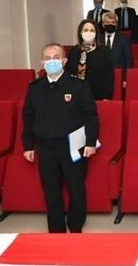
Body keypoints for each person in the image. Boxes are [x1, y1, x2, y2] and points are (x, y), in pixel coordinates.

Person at [22, 43, 99, 233]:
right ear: (42, 62)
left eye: (56, 58)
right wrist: (28, 145)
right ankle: (56, 232)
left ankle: (75, 227)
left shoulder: (78, 85)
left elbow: (90, 116)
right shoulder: (35, 87)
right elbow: (28, 117)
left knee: (76, 190)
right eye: (47, 58)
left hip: (72, 147)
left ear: (64, 61)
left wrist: (90, 142)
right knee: (51, 192)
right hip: (45, 147)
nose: (52, 62)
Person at [66, 19, 114, 100]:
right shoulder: (74, 51)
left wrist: (107, 97)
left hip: (98, 94)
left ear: (96, 33)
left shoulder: (105, 51)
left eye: (92, 30)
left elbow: (109, 76)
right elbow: (69, 73)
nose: (89, 32)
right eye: (85, 30)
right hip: (77, 95)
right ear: (80, 32)